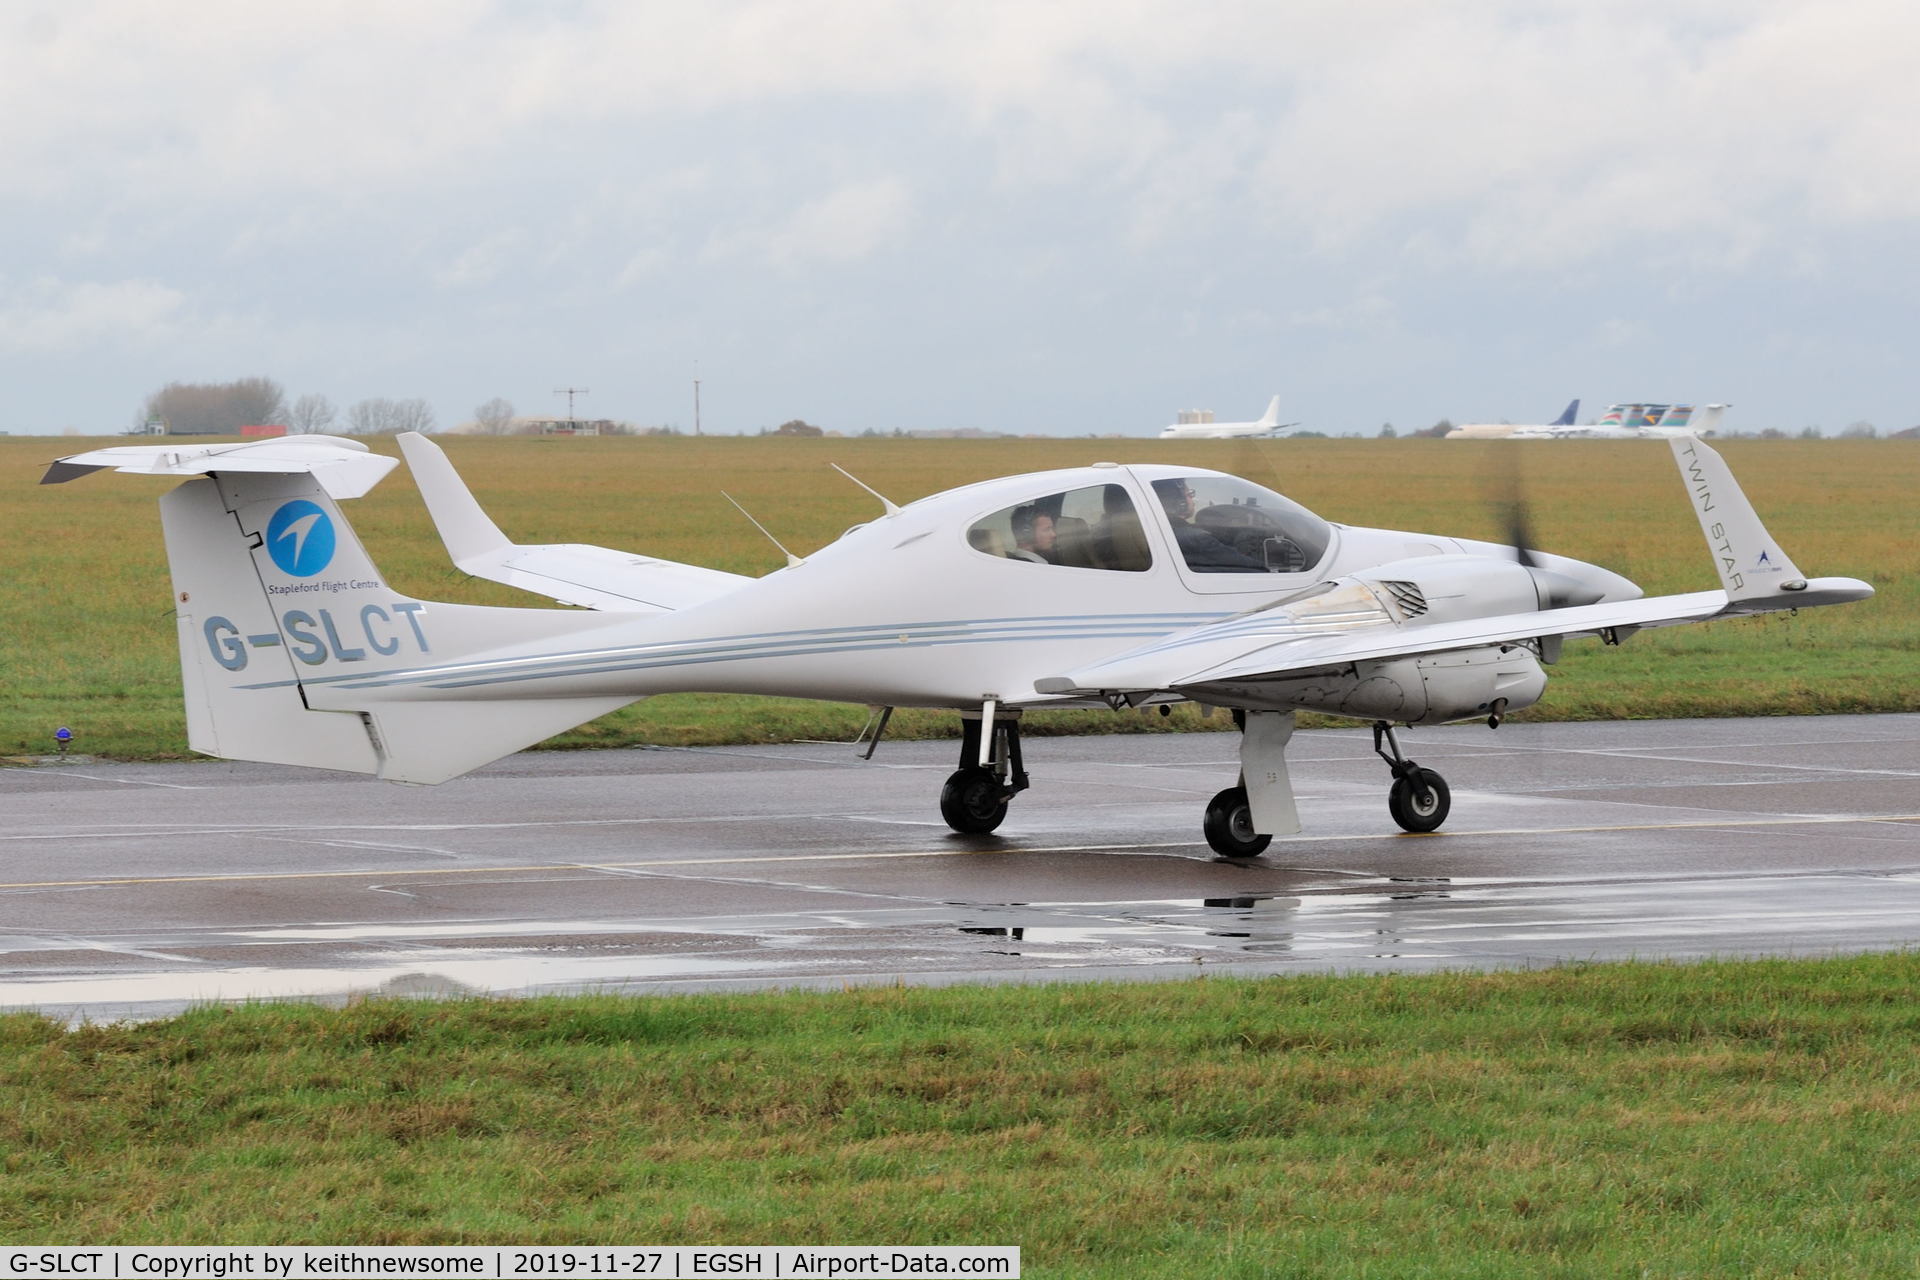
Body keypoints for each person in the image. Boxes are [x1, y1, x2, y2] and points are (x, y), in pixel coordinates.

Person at [1151, 478, 1268, 573]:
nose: (1192, 498)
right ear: (1179, 502)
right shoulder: (1196, 540)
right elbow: (1258, 568)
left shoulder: (1156, 531)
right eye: (1189, 494)